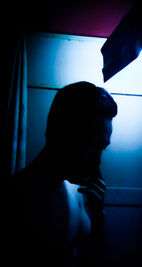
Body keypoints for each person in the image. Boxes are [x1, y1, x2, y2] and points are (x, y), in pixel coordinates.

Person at [6, 82, 117, 266]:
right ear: (60, 133)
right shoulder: (17, 197)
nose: (97, 161)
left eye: (102, 148)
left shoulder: (77, 193)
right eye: (90, 145)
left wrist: (99, 215)